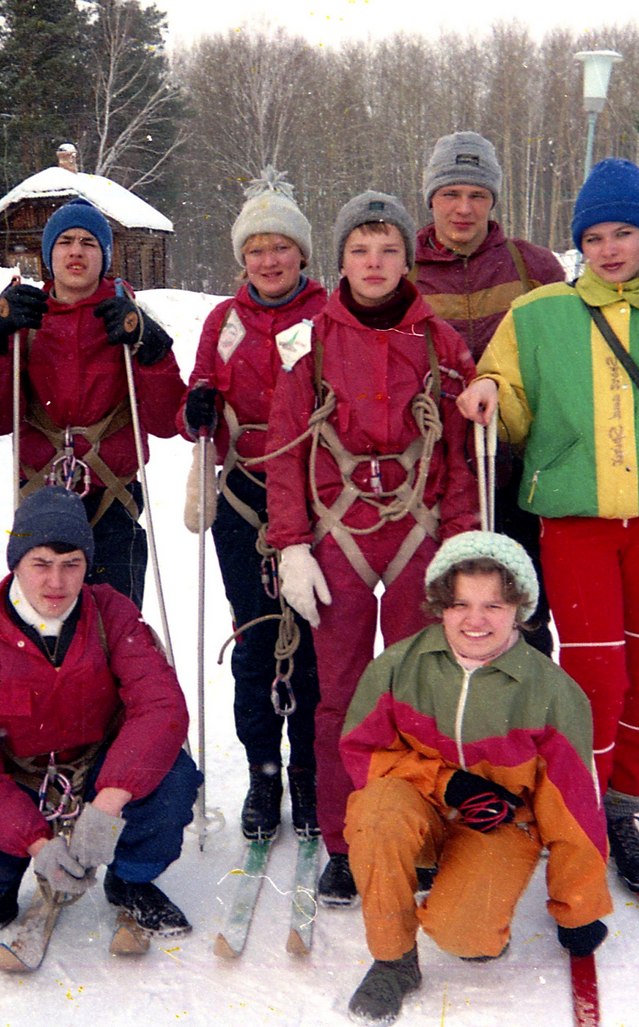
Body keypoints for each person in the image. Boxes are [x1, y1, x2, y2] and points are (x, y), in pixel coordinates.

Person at [457, 158, 639, 896]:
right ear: (579, 241)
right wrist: (491, 389)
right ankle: (581, 803)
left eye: (624, 232)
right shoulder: (538, 312)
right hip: (576, 520)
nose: (610, 247)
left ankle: (624, 807)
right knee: (593, 674)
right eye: (594, 234)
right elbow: (512, 396)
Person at [265, 191, 477, 906]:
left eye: (388, 250)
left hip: (418, 528)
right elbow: (283, 450)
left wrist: (461, 544)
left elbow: (462, 453)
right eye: (360, 250)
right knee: (343, 695)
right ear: (341, 260)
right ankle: (343, 837)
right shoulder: (306, 342)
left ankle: (415, 827)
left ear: (407, 259)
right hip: (339, 534)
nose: (375, 263)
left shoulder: (440, 342)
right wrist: (291, 544)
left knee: (418, 690)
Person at [340, 532, 611, 1026]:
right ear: (440, 604)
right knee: (377, 813)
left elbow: (572, 806)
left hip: (499, 826)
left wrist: (578, 908)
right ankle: (393, 962)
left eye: (494, 604)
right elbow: (362, 753)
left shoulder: (550, 690)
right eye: (460, 603)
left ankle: (462, 895)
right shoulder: (399, 666)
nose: (475, 620)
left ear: (519, 607)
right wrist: (448, 784)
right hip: (417, 808)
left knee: (467, 940)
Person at [0, 486, 201, 935]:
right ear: (15, 564)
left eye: (71, 565)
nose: (56, 582)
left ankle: (130, 880)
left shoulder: (111, 612)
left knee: (173, 780)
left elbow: (161, 707)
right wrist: (37, 842)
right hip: (21, 781)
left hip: (97, 770)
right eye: (41, 564)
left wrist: (110, 801)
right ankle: (5, 878)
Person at [180, 168, 326, 841]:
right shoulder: (225, 320)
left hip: (322, 499)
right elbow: (198, 399)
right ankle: (264, 774)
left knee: (318, 640)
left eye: (281, 247)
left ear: (302, 252)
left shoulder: (329, 312)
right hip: (243, 497)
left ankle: (311, 773)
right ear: (243, 259)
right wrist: (198, 407)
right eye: (256, 249)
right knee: (258, 636)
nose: (270, 260)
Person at [0, 197, 186, 607]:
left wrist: (153, 352)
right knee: (44, 627)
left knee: (116, 629)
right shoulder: (25, 319)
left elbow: (164, 421)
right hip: (40, 494)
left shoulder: (125, 322)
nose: (76, 251)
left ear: (103, 255)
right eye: (65, 241)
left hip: (112, 497)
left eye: (88, 242)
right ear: (49, 254)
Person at [413, 131, 566, 655]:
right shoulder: (402, 275)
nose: (463, 208)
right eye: (450, 193)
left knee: (524, 608)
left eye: (477, 195)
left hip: (521, 471)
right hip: (435, 477)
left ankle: (527, 725)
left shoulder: (534, 267)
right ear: (430, 197)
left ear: (493, 201)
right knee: (448, 612)